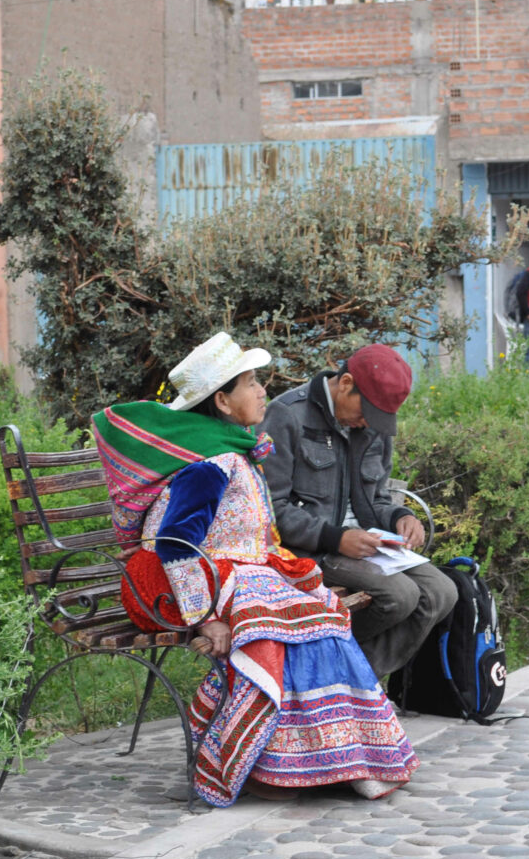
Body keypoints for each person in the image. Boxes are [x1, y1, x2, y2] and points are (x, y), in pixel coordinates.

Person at [93, 332, 418, 808]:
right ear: (222, 401)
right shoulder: (208, 463)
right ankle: (255, 763)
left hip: (234, 571)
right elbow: (176, 544)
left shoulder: (235, 450)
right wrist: (206, 618)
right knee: (272, 626)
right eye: (250, 383)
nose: (263, 391)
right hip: (178, 584)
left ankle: (337, 757)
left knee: (324, 617)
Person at [258, 344, 457, 683]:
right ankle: (347, 681)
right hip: (311, 550)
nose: (369, 423)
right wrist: (336, 538)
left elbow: (376, 496)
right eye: (368, 412)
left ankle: (357, 683)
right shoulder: (287, 415)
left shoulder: (372, 424)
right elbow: (270, 508)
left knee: (443, 592)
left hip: (369, 546)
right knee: (400, 596)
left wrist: (399, 517)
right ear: (346, 383)